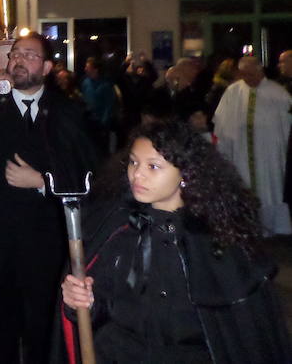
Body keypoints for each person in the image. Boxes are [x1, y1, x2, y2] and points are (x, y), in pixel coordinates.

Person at [60, 121, 291, 363]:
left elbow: (244, 335)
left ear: (185, 174)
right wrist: (80, 301)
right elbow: (97, 312)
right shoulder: (119, 229)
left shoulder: (217, 242)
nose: (137, 174)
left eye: (153, 166)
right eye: (133, 162)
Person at [0, 32, 96, 364]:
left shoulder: (67, 112)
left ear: (47, 67)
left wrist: (43, 181)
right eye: (14, 54)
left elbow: (91, 174)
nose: (18, 60)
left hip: (46, 245)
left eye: (29, 55)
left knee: (42, 331)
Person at [213, 56, 292, 235]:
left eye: (251, 73)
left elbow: (287, 123)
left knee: (270, 187)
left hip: (270, 153)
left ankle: (273, 227)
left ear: (260, 70)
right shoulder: (233, 92)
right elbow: (222, 123)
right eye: (244, 74)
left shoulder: (278, 92)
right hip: (240, 151)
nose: (248, 78)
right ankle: (247, 226)